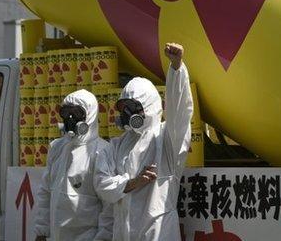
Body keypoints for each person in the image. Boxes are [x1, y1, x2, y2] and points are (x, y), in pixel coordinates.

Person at [94, 42, 193, 240]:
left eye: (134, 107)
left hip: (157, 232)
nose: (128, 114)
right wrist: (133, 182)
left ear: (149, 107)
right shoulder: (117, 145)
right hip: (124, 233)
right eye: (125, 108)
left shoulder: (166, 139)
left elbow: (180, 112)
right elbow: (101, 184)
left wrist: (176, 70)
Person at [34, 89, 112, 241]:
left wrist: (103, 238)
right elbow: (46, 192)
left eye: (76, 114)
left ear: (89, 115)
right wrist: (41, 231)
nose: (70, 118)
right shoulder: (57, 147)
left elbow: (109, 206)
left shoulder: (102, 152)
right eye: (66, 112)